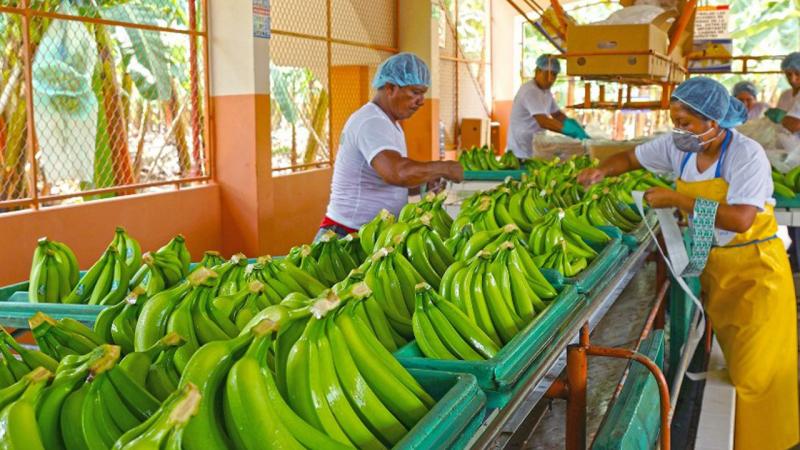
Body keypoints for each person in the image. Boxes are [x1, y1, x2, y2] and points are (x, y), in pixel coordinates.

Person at [577, 77, 798, 450]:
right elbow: (631, 157)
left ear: (714, 121)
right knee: (735, 363)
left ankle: (771, 441)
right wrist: (602, 171)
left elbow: (742, 219)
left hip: (755, 273)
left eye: (687, 123)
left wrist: (679, 200)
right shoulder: (679, 147)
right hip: (717, 270)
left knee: (758, 375)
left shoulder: (746, 155)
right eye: (675, 121)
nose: (678, 130)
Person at [317, 53, 463, 240]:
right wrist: (444, 167)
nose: (421, 101)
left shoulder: (390, 123)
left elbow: (389, 180)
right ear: (390, 87)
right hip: (347, 234)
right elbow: (396, 173)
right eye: (415, 92)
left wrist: (424, 180)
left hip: (372, 234)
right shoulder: (371, 122)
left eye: (423, 94)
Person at [506, 54, 589, 159]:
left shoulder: (545, 91)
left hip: (533, 146)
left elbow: (557, 114)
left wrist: (572, 125)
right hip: (520, 151)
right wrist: (568, 131)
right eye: (547, 74)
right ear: (537, 71)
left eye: (554, 75)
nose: (551, 79)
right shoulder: (530, 91)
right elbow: (543, 121)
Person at [765, 52, 800, 134]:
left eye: (798, 74)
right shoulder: (785, 95)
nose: (793, 79)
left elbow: (795, 125)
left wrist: (782, 118)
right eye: (789, 74)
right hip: (785, 142)